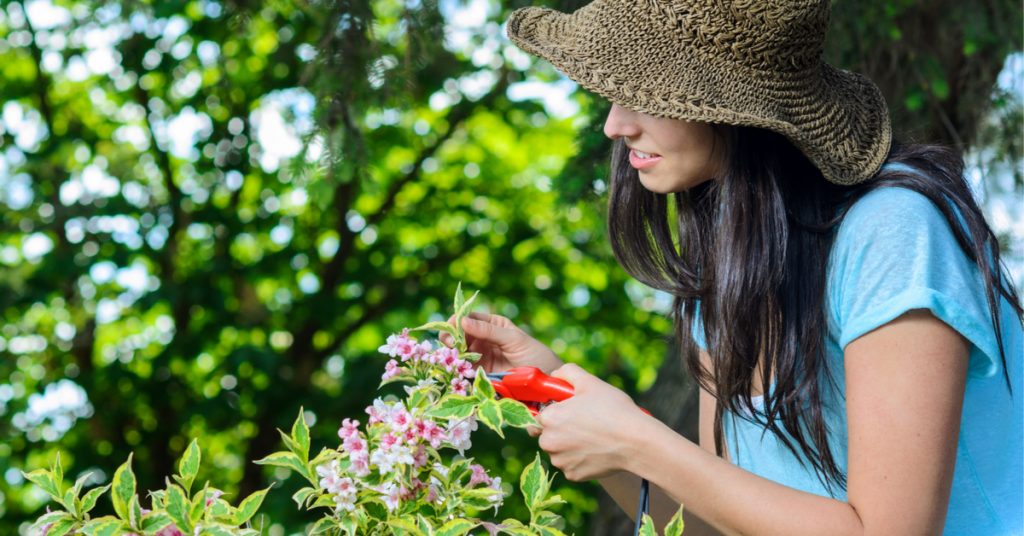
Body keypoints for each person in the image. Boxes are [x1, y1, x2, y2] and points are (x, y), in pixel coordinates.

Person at [445, 0, 1024, 534]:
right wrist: (563, 398)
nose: (615, 126)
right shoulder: (732, 263)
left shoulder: (891, 231)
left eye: (644, 93)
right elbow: (720, 527)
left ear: (734, 109)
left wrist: (636, 438)